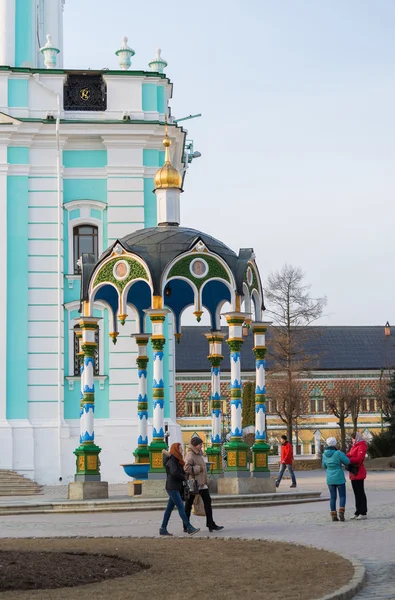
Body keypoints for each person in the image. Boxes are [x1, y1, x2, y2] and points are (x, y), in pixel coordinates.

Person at [184, 437, 224, 533]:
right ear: (195, 445)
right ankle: (186, 525)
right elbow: (186, 468)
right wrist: (199, 469)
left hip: (202, 483)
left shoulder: (198, 454)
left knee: (208, 502)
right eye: (200, 444)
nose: (201, 446)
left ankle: (210, 523)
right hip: (194, 484)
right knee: (189, 504)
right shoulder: (190, 454)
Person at [160, 442, 200, 536]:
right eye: (180, 449)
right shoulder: (171, 461)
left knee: (169, 509)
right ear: (176, 450)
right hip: (172, 487)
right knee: (181, 507)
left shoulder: (176, 460)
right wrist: (184, 477)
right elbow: (174, 473)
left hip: (175, 487)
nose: (182, 451)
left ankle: (163, 528)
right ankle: (189, 527)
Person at [322, 437, 350, 521]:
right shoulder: (338, 453)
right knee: (342, 496)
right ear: (335, 444)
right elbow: (347, 461)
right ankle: (341, 511)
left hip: (329, 477)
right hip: (339, 476)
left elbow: (324, 466)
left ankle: (333, 515)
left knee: (332, 497)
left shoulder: (324, 454)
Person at [347, 432, 368, 520]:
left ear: (357, 438)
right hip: (353, 472)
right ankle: (357, 511)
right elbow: (349, 455)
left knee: (360, 493)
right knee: (356, 493)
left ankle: (363, 512)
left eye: (353, 438)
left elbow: (359, 458)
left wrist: (348, 459)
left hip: (358, 471)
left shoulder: (361, 446)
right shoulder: (354, 446)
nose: (352, 440)